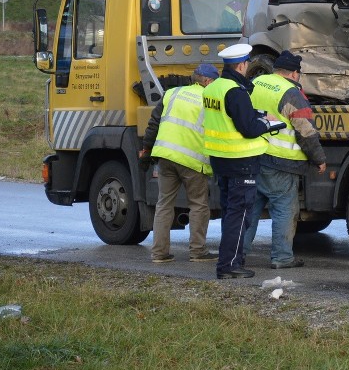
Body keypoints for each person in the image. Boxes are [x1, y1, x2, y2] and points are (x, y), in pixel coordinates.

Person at [244, 50, 327, 269]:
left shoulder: (257, 82)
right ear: (294, 74)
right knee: (284, 210)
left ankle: (237, 254)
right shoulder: (292, 94)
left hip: (254, 155)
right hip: (281, 162)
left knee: (250, 209)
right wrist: (318, 158)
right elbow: (306, 132)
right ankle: (282, 257)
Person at [203, 43, 277, 279]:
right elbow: (247, 127)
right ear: (242, 65)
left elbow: (230, 116)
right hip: (240, 161)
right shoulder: (236, 91)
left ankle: (229, 262)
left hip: (221, 159)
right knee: (239, 215)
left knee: (230, 213)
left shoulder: (214, 88)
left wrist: (259, 115)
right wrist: (267, 123)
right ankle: (230, 265)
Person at [140, 63, 220, 263]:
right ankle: (197, 251)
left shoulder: (172, 93)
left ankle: (159, 253)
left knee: (164, 204)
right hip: (192, 160)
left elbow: (154, 123)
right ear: (208, 81)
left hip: (165, 157)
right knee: (199, 205)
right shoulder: (209, 100)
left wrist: (146, 150)